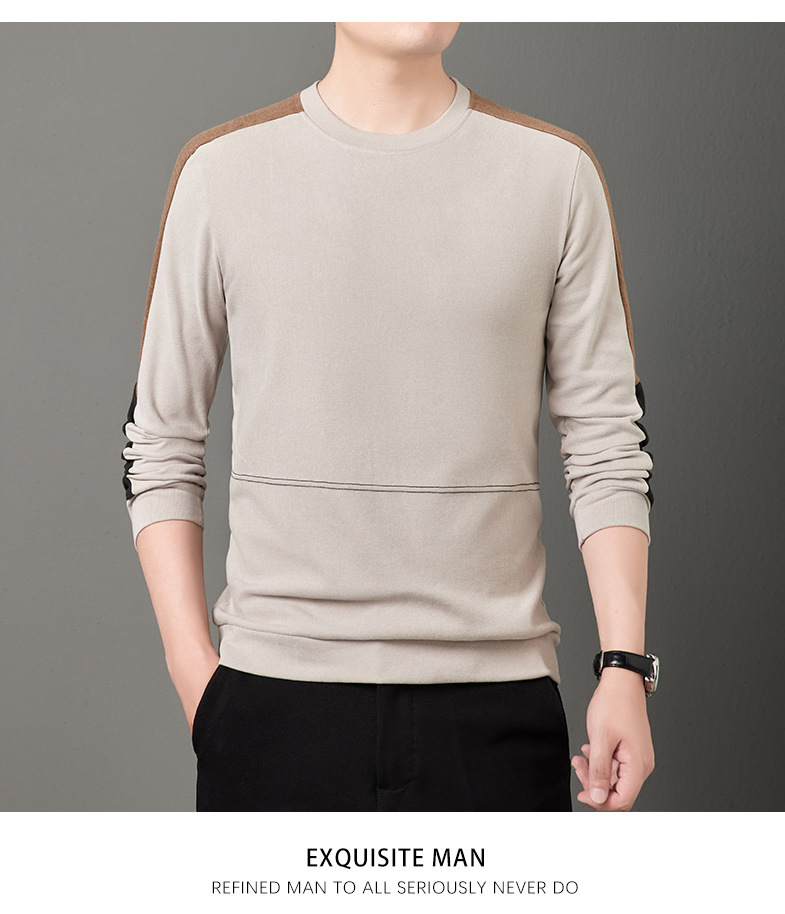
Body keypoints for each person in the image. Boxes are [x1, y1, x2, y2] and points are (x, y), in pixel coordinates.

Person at [121, 22, 656, 812]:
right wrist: (194, 673)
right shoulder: (220, 173)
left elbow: (607, 443)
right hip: (273, 706)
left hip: (497, 712)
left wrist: (625, 668)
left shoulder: (557, 176)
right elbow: (160, 441)